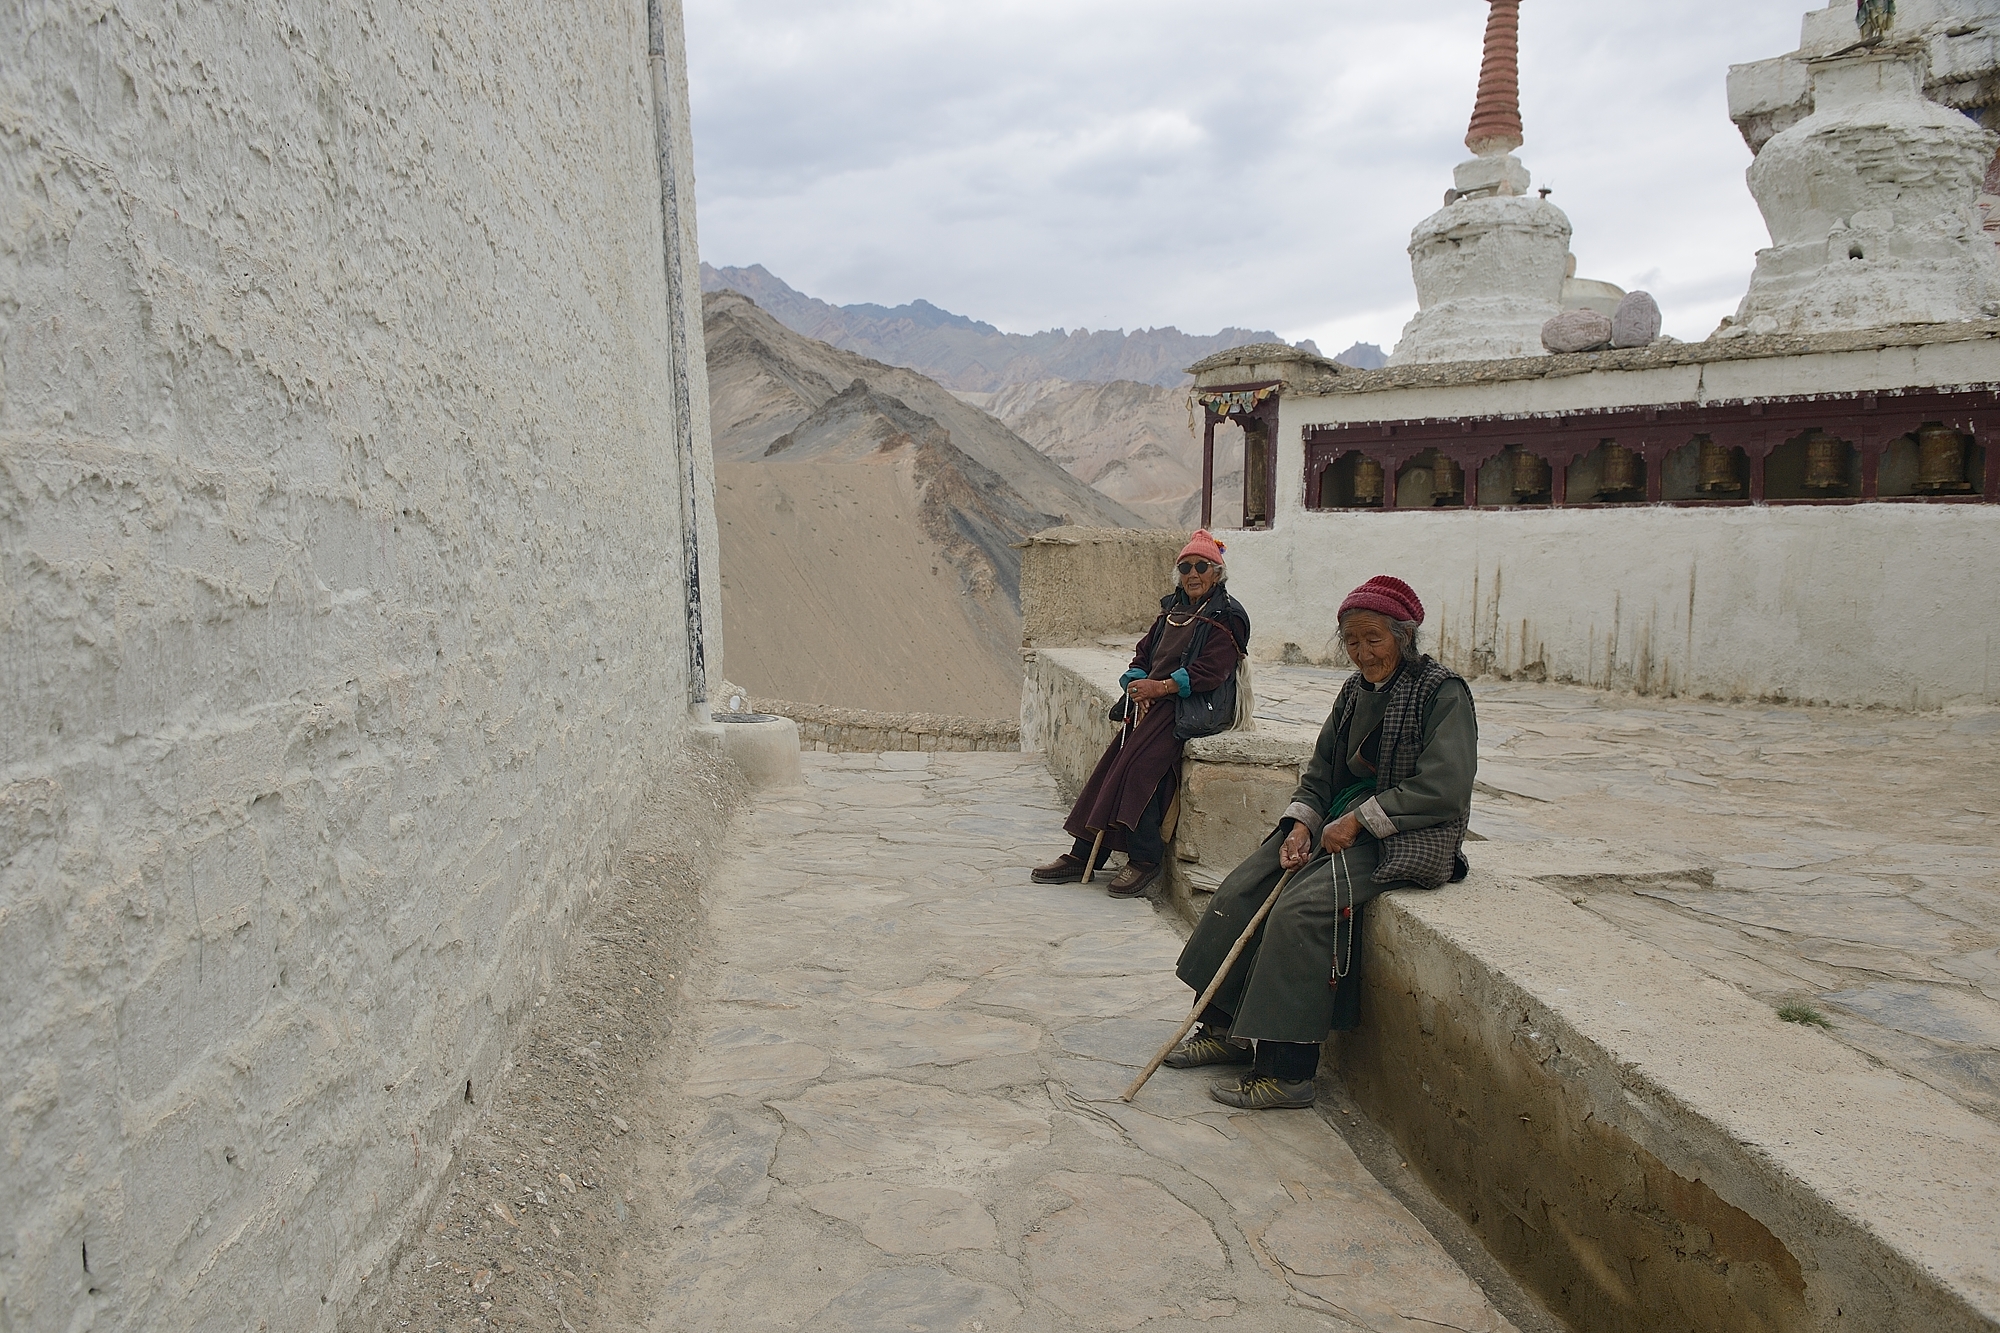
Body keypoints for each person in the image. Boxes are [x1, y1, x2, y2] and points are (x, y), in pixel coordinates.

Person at [1165, 575, 1476, 1108]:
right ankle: (1223, 1030)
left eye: (1373, 639)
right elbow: (1322, 769)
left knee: (1300, 912)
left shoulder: (1442, 693)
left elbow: (1443, 787)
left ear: (1404, 636)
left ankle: (1288, 1073)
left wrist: (1360, 821)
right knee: (1243, 887)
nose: (1362, 653)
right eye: (1352, 641)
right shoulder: (1354, 692)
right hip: (1335, 821)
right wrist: (1303, 825)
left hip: (1407, 834)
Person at [1031, 530, 1250, 898]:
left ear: (1217, 573)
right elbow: (1143, 655)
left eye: (1201, 566)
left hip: (1194, 706)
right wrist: (1135, 684)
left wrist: (1160, 688)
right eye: (1185, 567)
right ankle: (1084, 854)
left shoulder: (1228, 615)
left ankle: (1145, 859)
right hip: (1155, 701)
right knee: (1111, 767)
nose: (1192, 574)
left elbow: (1212, 670)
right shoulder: (1172, 610)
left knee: (1139, 769)